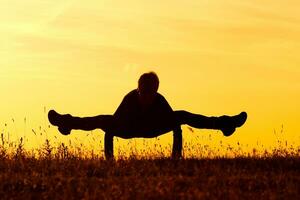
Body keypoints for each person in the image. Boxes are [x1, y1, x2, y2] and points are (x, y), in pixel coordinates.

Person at [48, 72, 247, 159]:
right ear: (138, 89)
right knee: (103, 120)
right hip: (129, 128)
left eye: (150, 92)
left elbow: (174, 125)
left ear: (155, 90)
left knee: (182, 115)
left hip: (153, 128)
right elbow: (111, 127)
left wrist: (175, 157)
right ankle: (66, 122)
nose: (146, 96)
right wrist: (110, 159)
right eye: (143, 91)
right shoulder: (129, 99)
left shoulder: (160, 100)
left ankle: (226, 124)